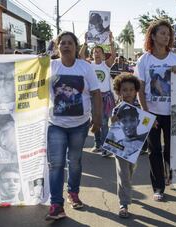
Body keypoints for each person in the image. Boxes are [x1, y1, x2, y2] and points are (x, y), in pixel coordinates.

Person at [45, 31, 102, 221]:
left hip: (80, 125)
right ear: (57, 46)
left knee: (75, 162)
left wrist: (98, 118)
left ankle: (73, 193)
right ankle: (56, 204)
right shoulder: (49, 66)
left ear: (76, 47)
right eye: (63, 43)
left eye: (70, 43)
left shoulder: (85, 68)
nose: (66, 46)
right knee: (56, 164)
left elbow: (95, 93)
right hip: (56, 124)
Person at [135, 20, 176, 202]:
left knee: (171, 150)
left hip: (172, 113)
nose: (166, 36)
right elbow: (140, 87)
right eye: (162, 33)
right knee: (153, 151)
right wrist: (146, 112)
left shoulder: (174, 58)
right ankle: (158, 187)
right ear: (153, 36)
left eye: (168, 33)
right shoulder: (144, 60)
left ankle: (169, 174)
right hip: (151, 113)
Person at [109, 73, 143, 218]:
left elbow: (145, 124)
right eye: (124, 90)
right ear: (119, 91)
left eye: (131, 90)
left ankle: (127, 190)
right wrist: (113, 120)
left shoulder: (140, 109)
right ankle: (124, 204)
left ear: (136, 91)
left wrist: (151, 122)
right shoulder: (117, 109)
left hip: (135, 147)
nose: (128, 93)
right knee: (123, 173)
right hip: (120, 146)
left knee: (129, 171)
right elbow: (112, 126)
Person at [79, 32, 116, 156]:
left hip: (105, 98)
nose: (97, 53)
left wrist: (110, 41)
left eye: (99, 51)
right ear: (92, 54)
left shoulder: (106, 65)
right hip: (93, 98)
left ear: (103, 54)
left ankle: (106, 147)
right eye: (95, 51)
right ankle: (98, 144)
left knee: (105, 123)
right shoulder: (89, 65)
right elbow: (80, 56)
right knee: (96, 122)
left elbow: (114, 55)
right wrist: (85, 42)